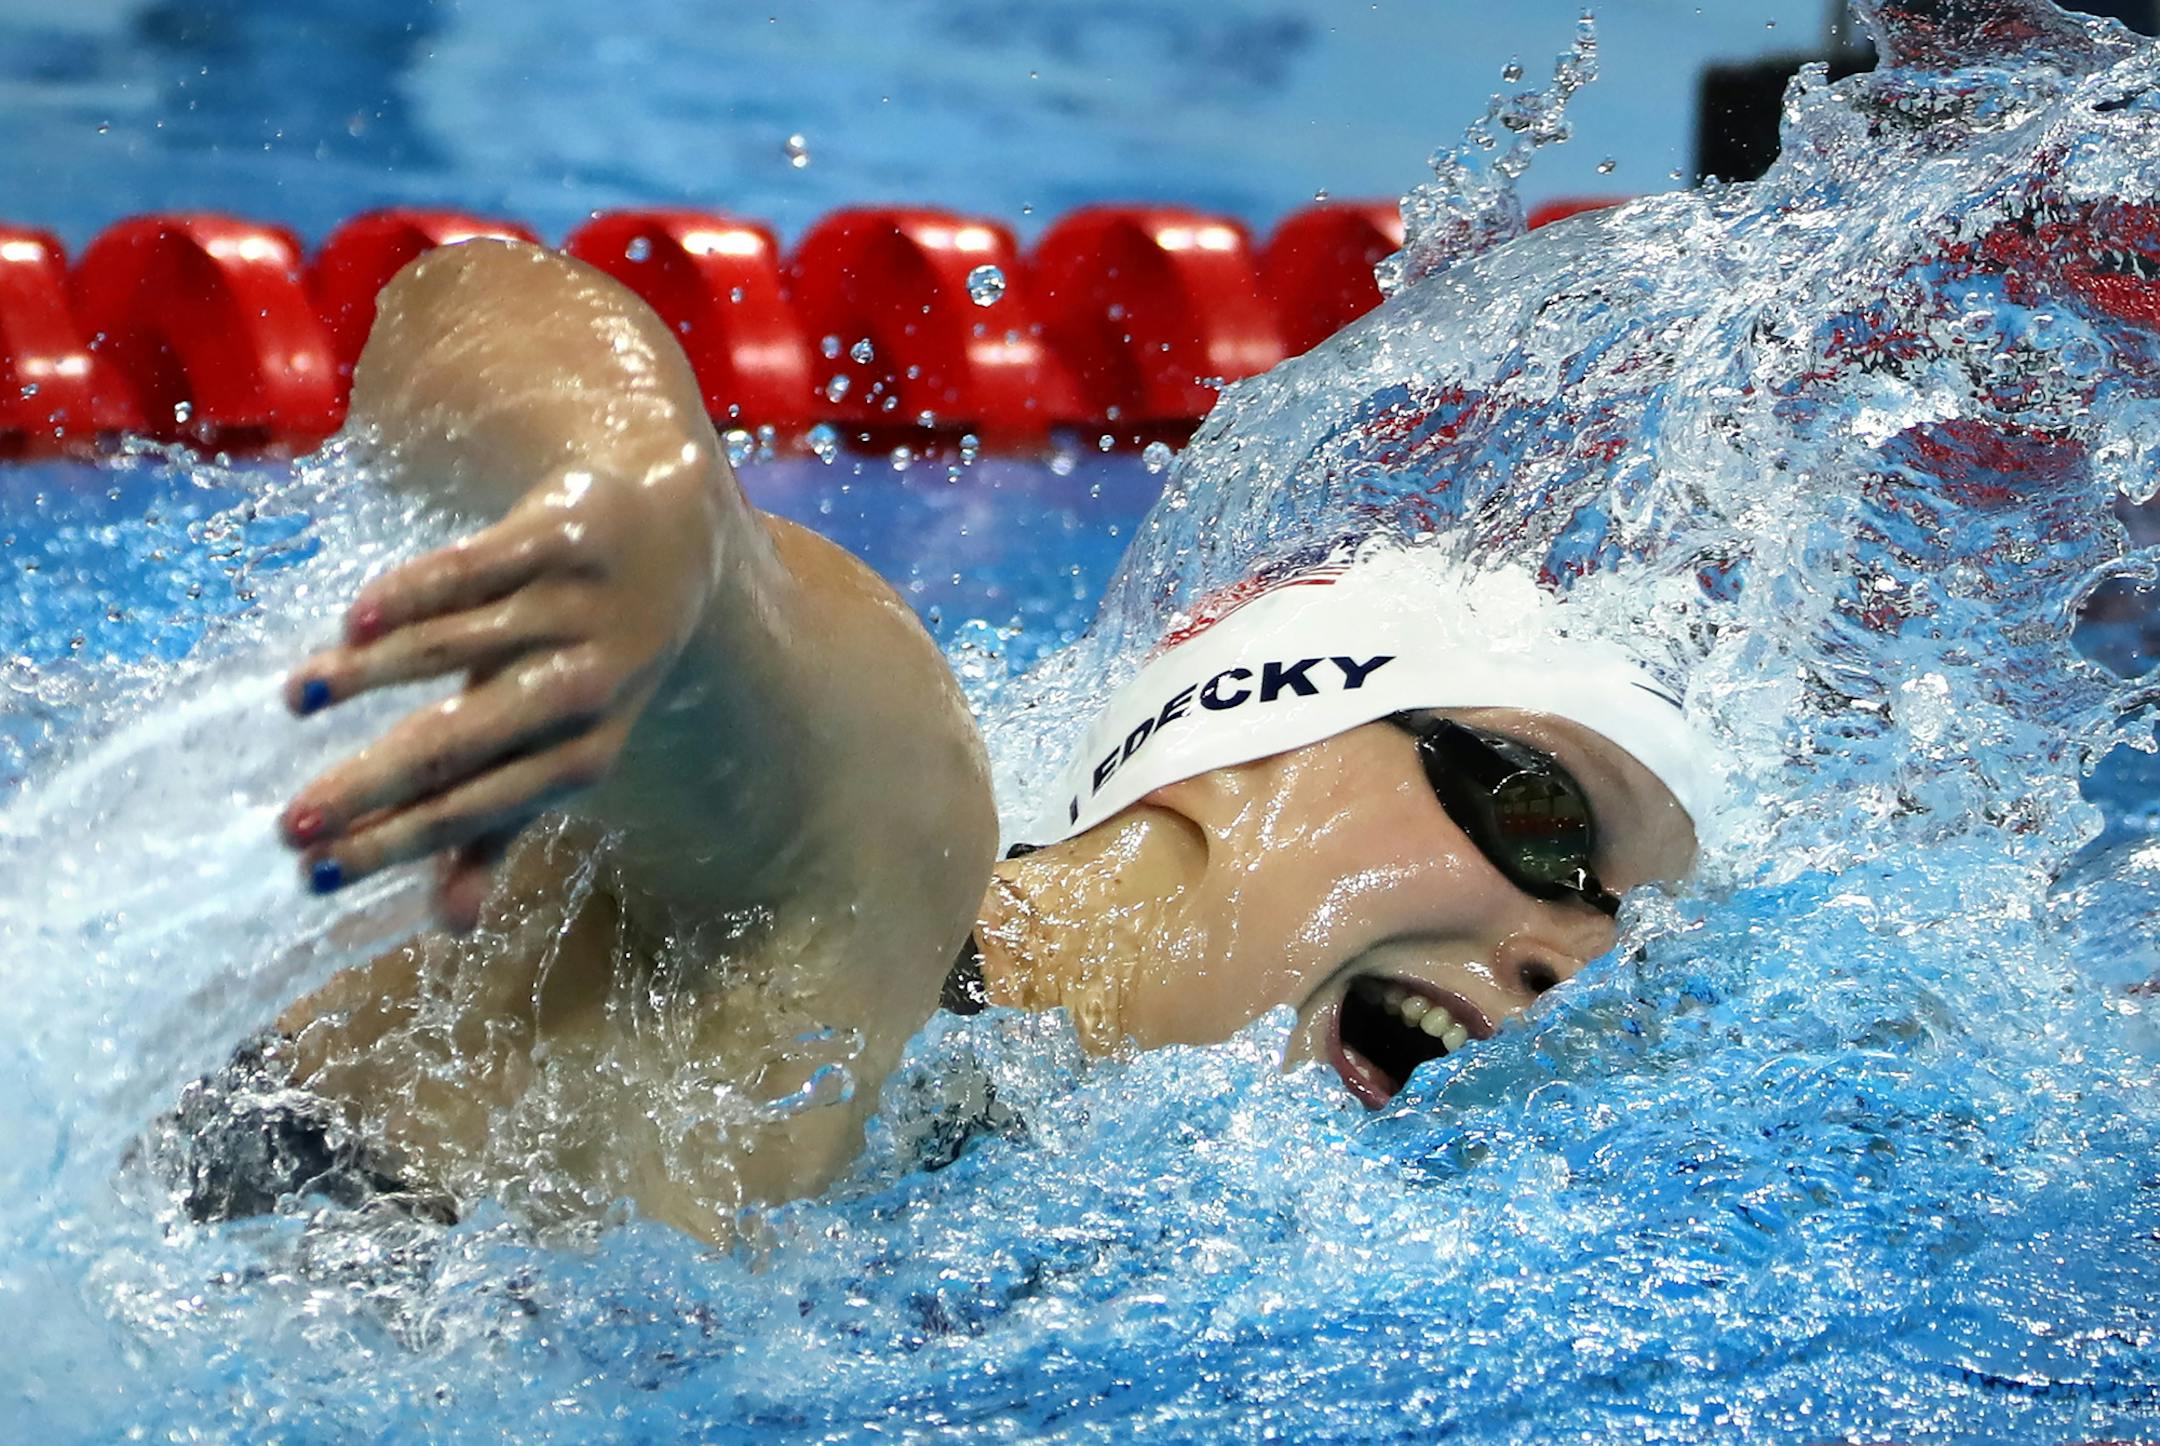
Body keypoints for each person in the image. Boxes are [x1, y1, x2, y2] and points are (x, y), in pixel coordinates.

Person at [156, 239, 1707, 1245]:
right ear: (1246, 736)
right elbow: (471, 300)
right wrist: (626, 500)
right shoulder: (885, 876)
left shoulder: (1057, 1179)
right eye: (1542, 821)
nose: (1573, 950)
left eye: (1622, 933)